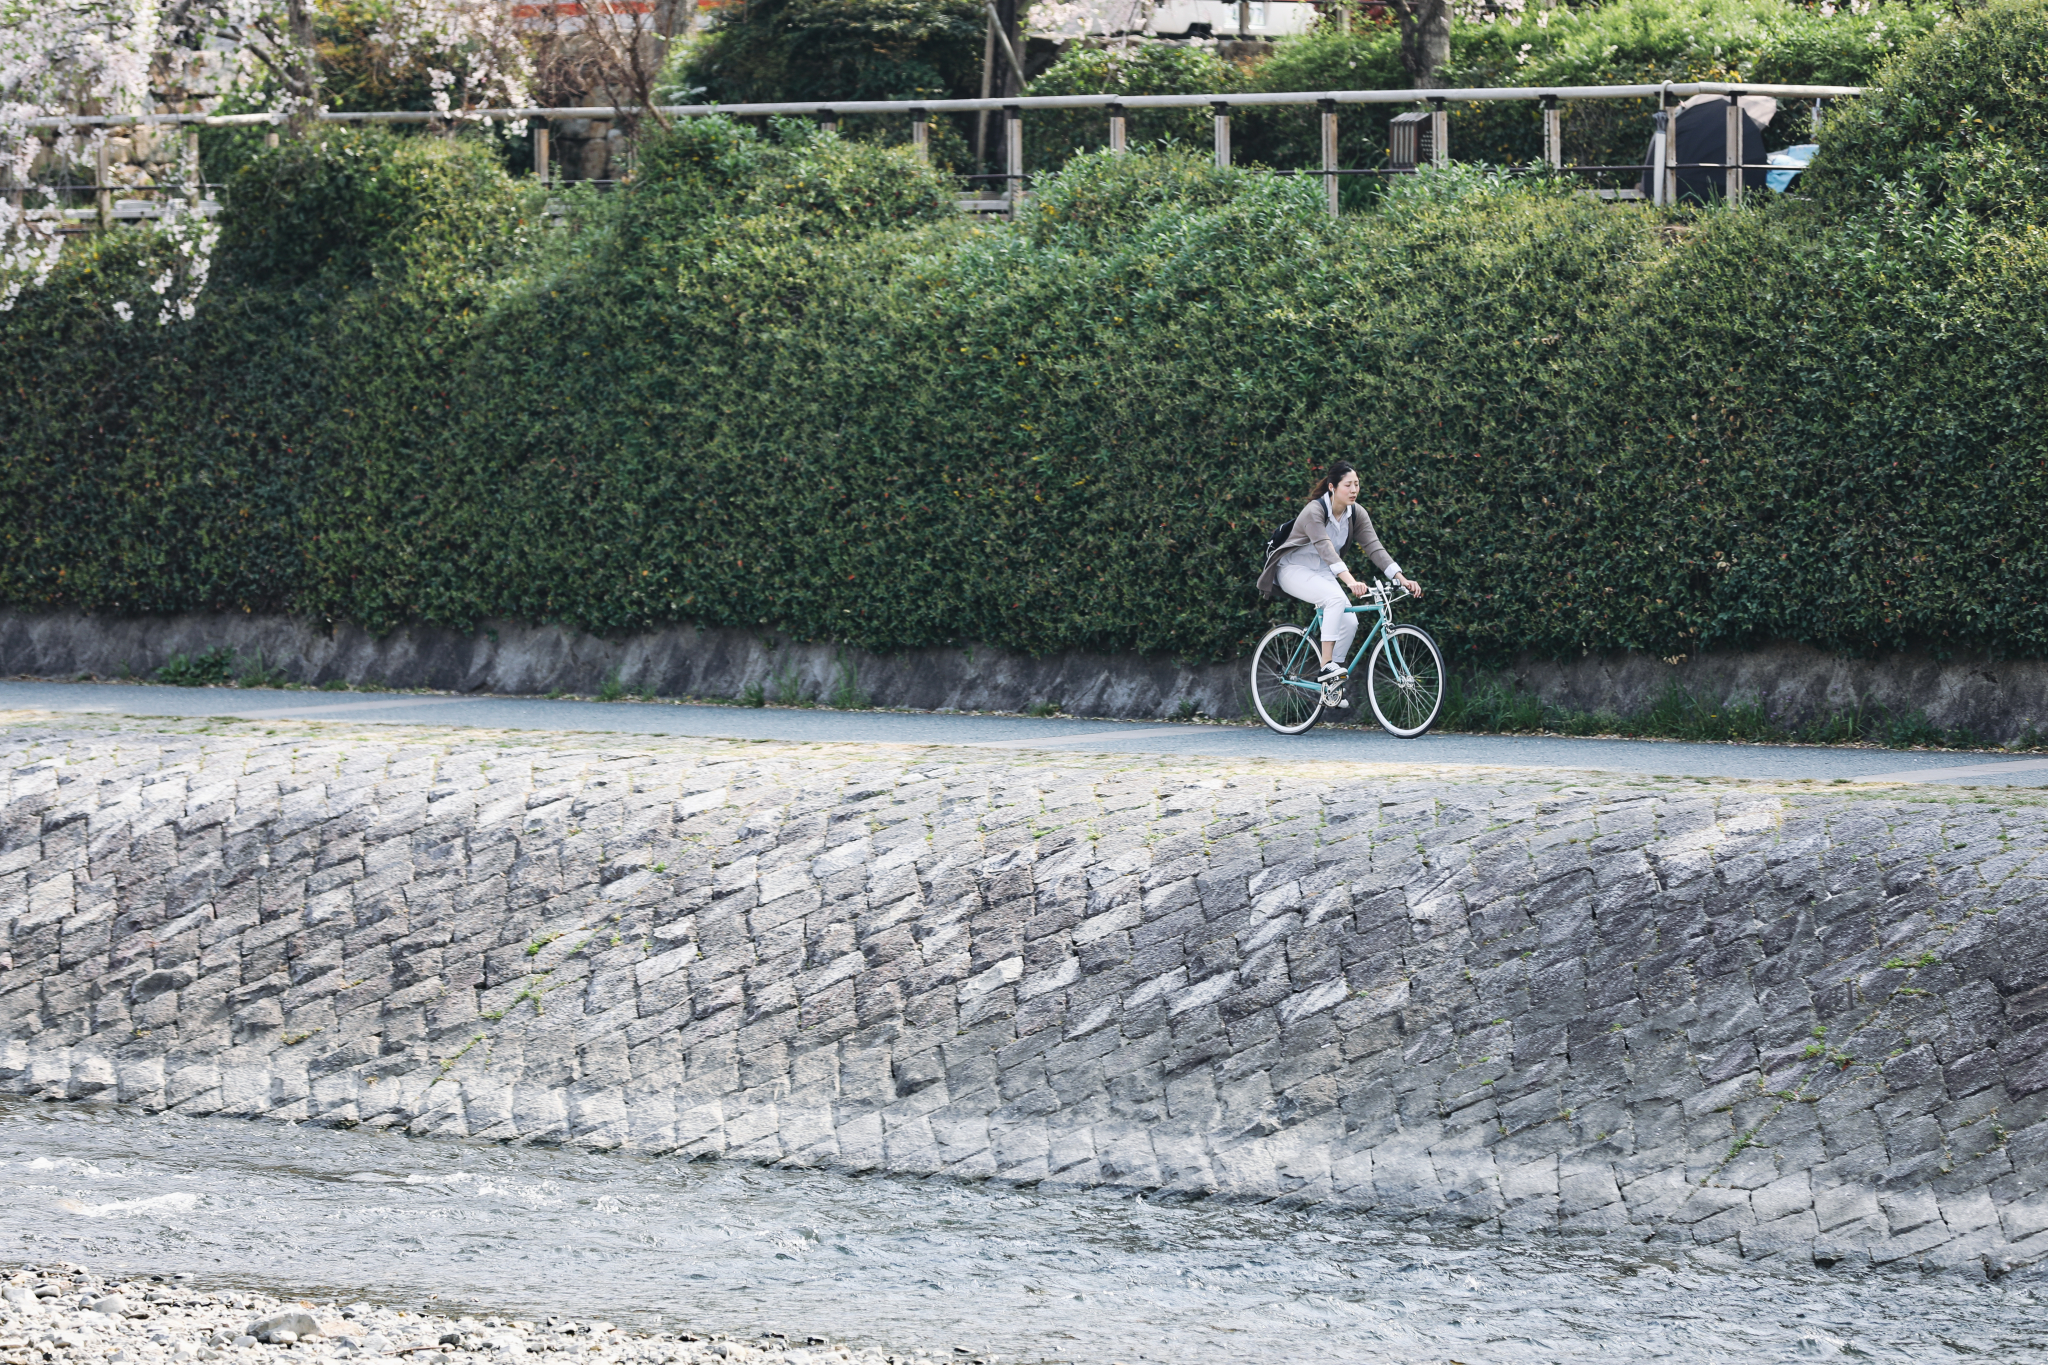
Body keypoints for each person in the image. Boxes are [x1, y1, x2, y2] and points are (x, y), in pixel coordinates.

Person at [1255, 461, 1424, 697]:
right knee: (1334, 599)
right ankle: (1326, 666)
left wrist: (1401, 578)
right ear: (1333, 487)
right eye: (1348, 485)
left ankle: (1331, 683)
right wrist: (1350, 581)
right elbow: (1326, 549)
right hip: (1292, 568)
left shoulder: (1356, 513)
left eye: (1357, 484)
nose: (1354, 490)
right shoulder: (1314, 511)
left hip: (1322, 570)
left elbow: (1374, 548)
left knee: (1350, 621)